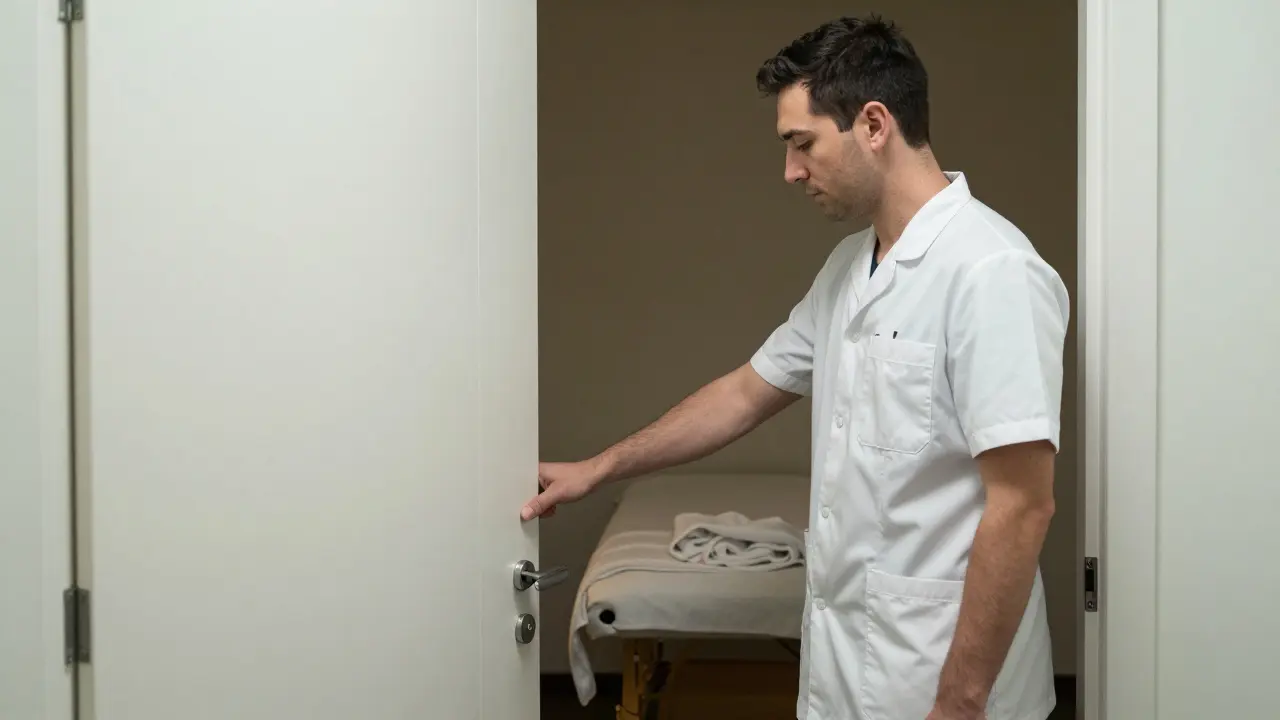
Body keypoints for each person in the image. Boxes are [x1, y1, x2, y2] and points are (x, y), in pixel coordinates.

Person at [521, 15, 1066, 720]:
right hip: (843, 675)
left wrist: (960, 703)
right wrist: (600, 467)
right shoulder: (849, 267)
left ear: (873, 124)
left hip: (944, 687)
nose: (790, 171)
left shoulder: (992, 272)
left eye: (801, 143)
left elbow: (1023, 505)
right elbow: (745, 393)